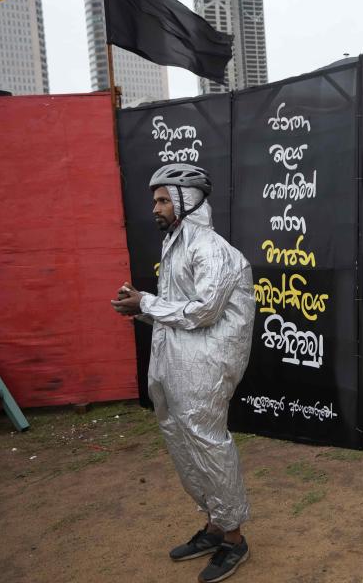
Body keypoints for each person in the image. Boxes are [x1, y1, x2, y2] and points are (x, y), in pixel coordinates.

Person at [111, 164, 255, 583]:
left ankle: (234, 538)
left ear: (187, 199)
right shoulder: (176, 245)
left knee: (208, 446)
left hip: (204, 371)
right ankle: (214, 525)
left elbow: (205, 311)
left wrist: (148, 304)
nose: (154, 207)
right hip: (174, 368)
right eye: (154, 199)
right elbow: (177, 312)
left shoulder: (211, 248)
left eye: (162, 199)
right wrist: (140, 309)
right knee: (184, 445)